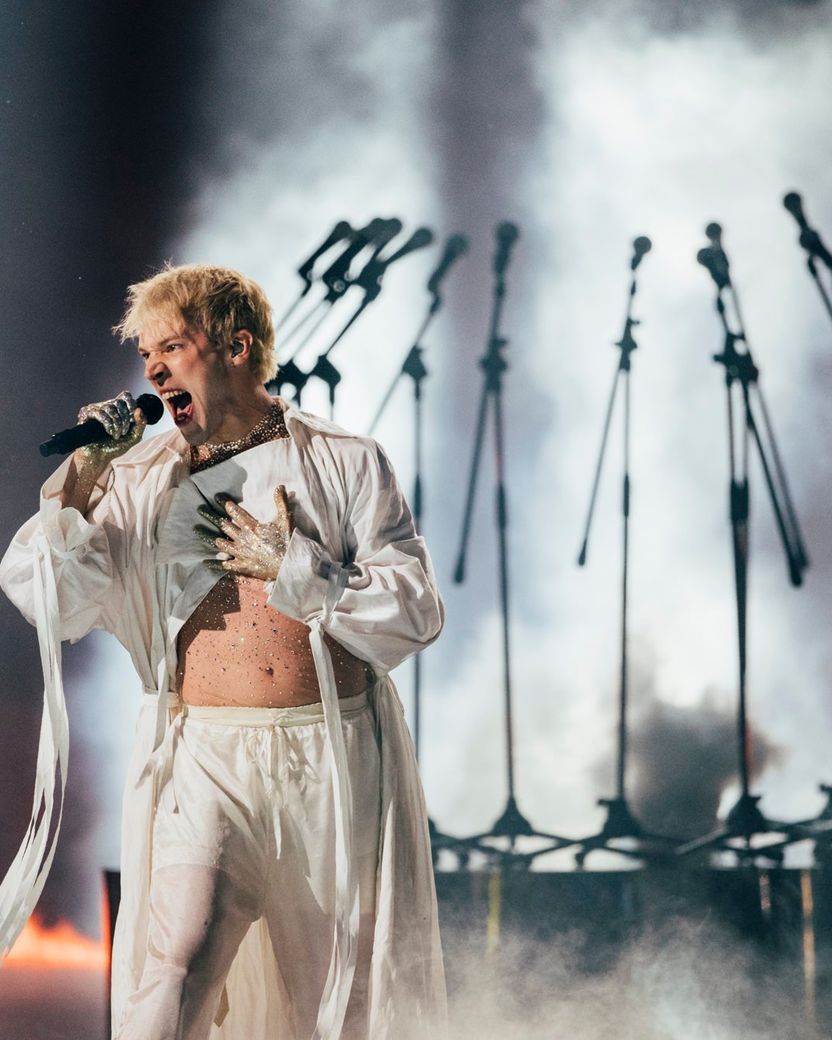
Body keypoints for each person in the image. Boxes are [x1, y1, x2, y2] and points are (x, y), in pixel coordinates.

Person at [0, 263, 447, 1039]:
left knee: (339, 1005)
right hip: (205, 758)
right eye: (146, 357)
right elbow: (48, 594)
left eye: (172, 346)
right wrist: (83, 474)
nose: (153, 370)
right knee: (172, 968)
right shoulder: (140, 480)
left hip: (331, 761)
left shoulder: (344, 461)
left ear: (238, 348)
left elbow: (414, 612)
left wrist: (295, 567)